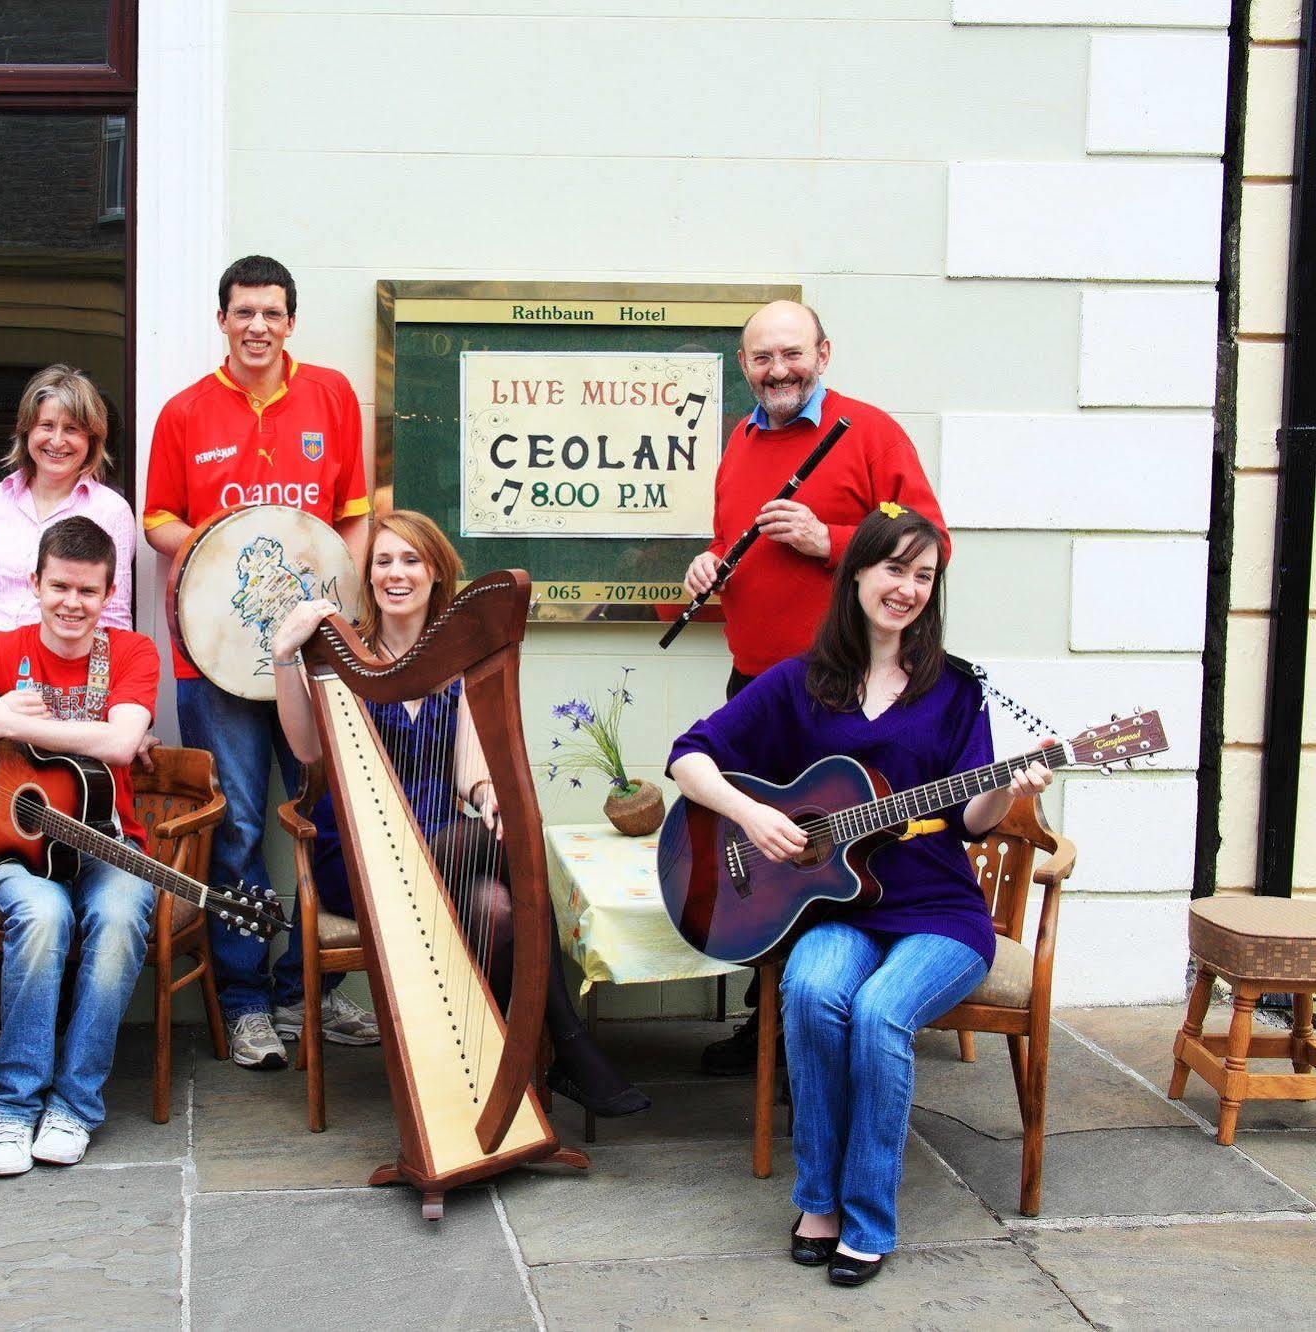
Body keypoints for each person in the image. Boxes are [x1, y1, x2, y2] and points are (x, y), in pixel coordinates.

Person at [667, 506, 1050, 1286]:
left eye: (923, 576)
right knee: (810, 991)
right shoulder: (798, 683)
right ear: (858, 575)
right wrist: (754, 815)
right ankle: (817, 1200)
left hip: (938, 910)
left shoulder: (955, 690)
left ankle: (867, 1217)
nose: (905, 588)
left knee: (878, 1013)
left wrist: (1007, 788)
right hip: (838, 906)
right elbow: (688, 757)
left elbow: (971, 824)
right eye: (893, 569)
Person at [268, 511, 649, 1117]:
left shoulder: (459, 657)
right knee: (504, 849)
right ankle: (570, 1046)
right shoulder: (344, 653)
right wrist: (285, 654)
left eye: (411, 560)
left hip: (446, 843)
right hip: (362, 852)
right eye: (383, 562)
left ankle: (506, 1069)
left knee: (497, 908)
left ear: (436, 572)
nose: (396, 573)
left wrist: (488, 794)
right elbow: (309, 751)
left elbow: (472, 768)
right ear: (367, 578)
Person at [680, 300, 947, 1076]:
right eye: (761, 358)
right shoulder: (739, 440)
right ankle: (768, 1029)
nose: (778, 371)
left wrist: (828, 540)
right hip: (756, 688)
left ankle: (812, 1040)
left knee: (822, 861)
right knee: (757, 862)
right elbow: (739, 546)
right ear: (743, 366)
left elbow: (931, 543)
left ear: (823, 353)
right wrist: (708, 562)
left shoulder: (869, 433)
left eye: (791, 354)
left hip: (838, 694)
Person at [142, 254, 370, 1070]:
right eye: (243, 312)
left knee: (332, 817)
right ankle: (244, 1004)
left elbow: (352, 518)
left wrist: (344, 613)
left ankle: (308, 988)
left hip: (314, 656)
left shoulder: (332, 396)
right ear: (222, 320)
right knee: (236, 829)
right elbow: (156, 519)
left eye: (272, 312)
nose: (258, 327)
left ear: (291, 321)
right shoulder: (183, 413)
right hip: (214, 661)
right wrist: (213, 542)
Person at [0, 517, 160, 1177]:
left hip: (105, 843)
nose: (73, 603)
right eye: (61, 587)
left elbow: (122, 742)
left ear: (108, 595)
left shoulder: (129, 654)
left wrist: (7, 721)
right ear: (35, 583)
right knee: (44, 916)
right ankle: (13, 1111)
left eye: (89, 591)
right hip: (11, 852)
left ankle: (74, 1105)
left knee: (124, 912)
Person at [0, 363, 137, 1067]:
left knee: (45, 829)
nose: (57, 439)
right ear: (26, 432)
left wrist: (115, 699)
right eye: (46, 425)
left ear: (92, 437)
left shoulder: (109, 512)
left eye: (72, 427)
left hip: (61, 684)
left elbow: (116, 612)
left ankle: (50, 1024)